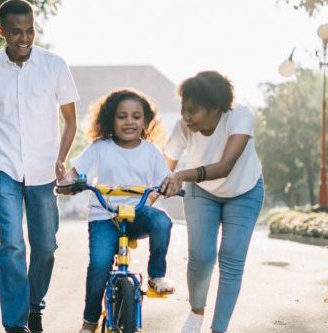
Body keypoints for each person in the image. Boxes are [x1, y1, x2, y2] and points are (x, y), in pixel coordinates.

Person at [0, 0, 79, 333]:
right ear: (2, 31)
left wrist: (61, 157)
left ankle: (33, 306)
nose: (25, 38)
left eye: (30, 30)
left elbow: (71, 121)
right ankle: (16, 325)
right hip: (4, 168)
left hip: (44, 169)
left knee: (45, 246)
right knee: (12, 243)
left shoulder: (55, 65)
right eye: (16, 32)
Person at [58, 88, 175, 333]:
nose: (129, 122)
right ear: (111, 119)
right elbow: (75, 173)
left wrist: (164, 189)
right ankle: (90, 320)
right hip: (105, 216)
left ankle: (156, 275)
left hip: (137, 214)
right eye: (122, 116)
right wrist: (68, 183)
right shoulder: (100, 147)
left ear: (145, 121)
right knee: (99, 265)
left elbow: (164, 182)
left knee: (162, 221)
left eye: (136, 116)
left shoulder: (151, 152)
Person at [160, 71, 264, 333]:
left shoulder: (240, 116)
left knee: (231, 259)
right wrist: (149, 190)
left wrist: (181, 175)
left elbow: (226, 166)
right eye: (183, 108)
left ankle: (219, 329)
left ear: (216, 107)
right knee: (201, 256)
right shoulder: (184, 126)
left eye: (193, 110)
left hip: (244, 191)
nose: (185, 116)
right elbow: (164, 167)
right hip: (202, 192)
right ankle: (196, 312)